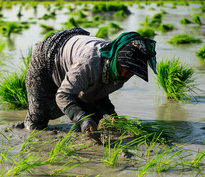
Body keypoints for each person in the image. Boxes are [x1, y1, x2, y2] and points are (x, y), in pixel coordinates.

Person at [14, 27, 157, 142]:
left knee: (95, 120)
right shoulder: (89, 64)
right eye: (122, 68)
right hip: (46, 57)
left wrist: (110, 114)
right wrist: (81, 119)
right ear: (115, 60)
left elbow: (99, 92)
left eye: (130, 72)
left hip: (74, 57)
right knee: (39, 119)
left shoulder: (120, 73)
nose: (125, 75)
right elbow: (62, 95)